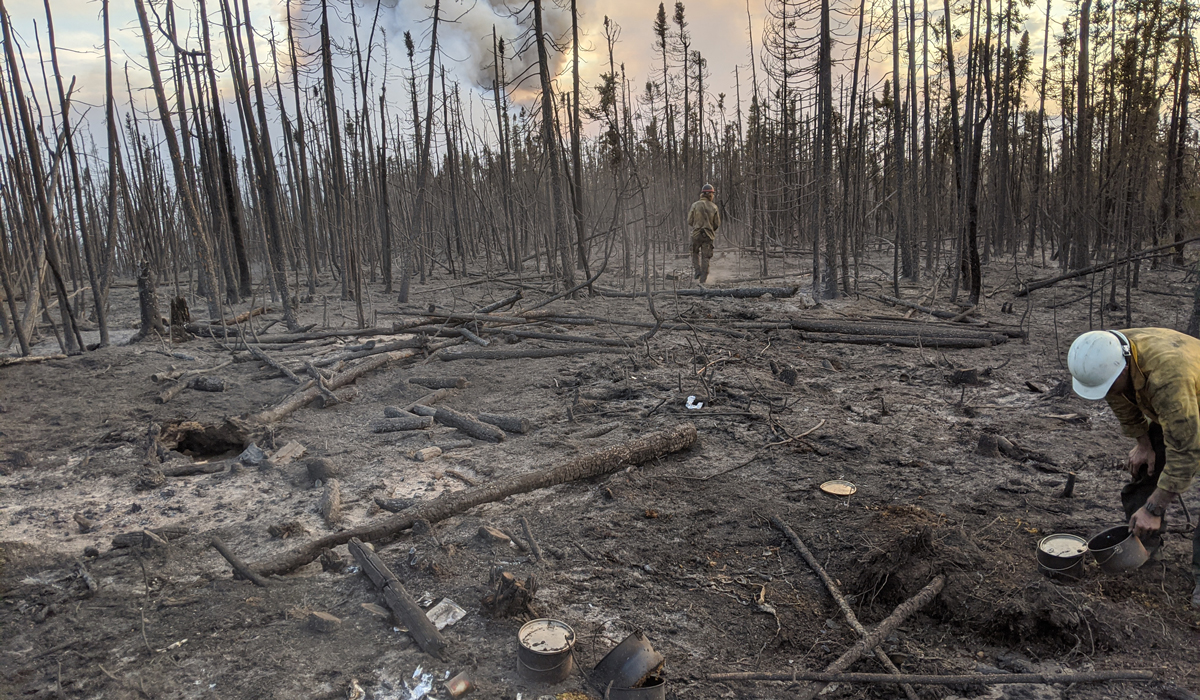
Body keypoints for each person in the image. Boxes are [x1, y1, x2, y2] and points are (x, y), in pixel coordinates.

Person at [1068, 328, 1200, 608]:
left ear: (1124, 368)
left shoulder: (1168, 379)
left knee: (1173, 463)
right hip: (1183, 409)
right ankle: (1145, 548)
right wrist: (1143, 443)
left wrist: (1155, 508)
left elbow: (1187, 450)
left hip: (1187, 402)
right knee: (1148, 468)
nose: (1109, 392)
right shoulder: (1109, 352)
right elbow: (1119, 397)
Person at [687, 184, 720, 284]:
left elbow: (689, 220)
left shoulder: (695, 205)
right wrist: (710, 229)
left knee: (694, 252)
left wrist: (697, 225)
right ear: (710, 194)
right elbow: (717, 224)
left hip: (696, 234)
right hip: (708, 236)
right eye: (712, 193)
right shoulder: (714, 207)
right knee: (706, 257)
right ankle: (703, 281)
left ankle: (697, 270)